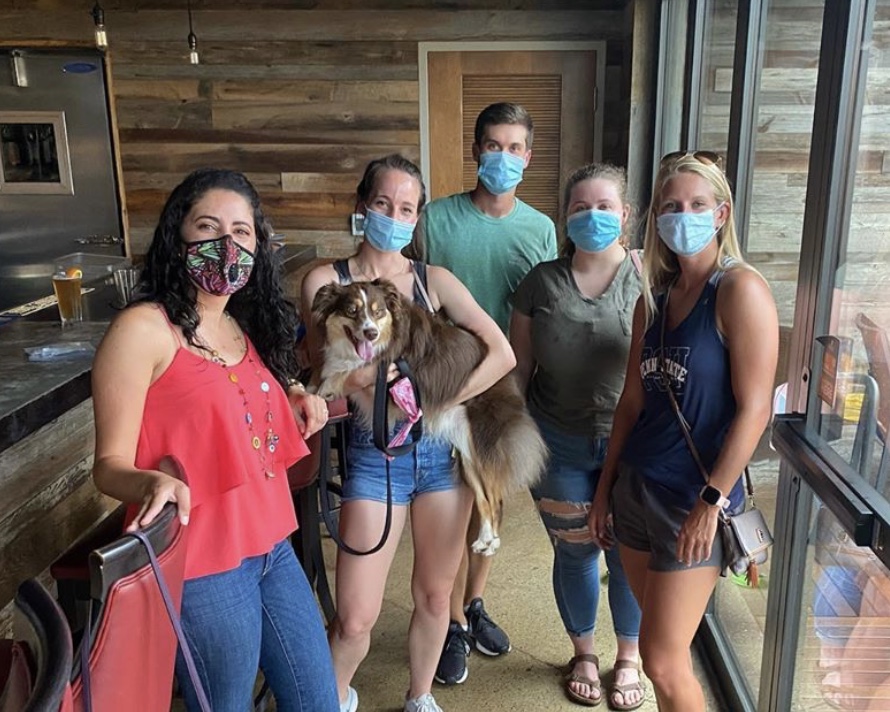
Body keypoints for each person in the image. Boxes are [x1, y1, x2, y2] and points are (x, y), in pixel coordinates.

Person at [90, 168, 339, 712]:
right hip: (202, 562)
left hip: (273, 545)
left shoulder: (239, 324)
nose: (227, 245)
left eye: (242, 232)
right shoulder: (143, 330)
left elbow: (243, 394)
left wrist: (294, 392)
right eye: (208, 227)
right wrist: (149, 479)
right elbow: (107, 465)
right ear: (178, 238)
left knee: (317, 699)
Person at [300, 154, 515, 712]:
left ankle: (419, 697)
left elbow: (502, 354)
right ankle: (329, 698)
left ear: (417, 217)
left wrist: (436, 398)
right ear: (361, 206)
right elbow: (329, 368)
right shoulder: (329, 281)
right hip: (375, 460)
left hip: (441, 457)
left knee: (436, 594)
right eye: (382, 204)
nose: (393, 216)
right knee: (354, 617)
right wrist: (372, 378)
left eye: (406, 208)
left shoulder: (433, 281)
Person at [589, 151, 779, 711]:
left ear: (721, 214)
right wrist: (604, 492)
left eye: (697, 205)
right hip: (637, 490)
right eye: (671, 207)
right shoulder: (655, 300)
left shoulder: (740, 291)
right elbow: (630, 402)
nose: (683, 216)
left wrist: (712, 501)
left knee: (662, 662)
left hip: (692, 500)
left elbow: (755, 409)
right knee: (663, 649)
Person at [415, 101, 558, 685]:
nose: (504, 156)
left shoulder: (541, 229)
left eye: (515, 147)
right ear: (476, 150)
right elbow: (413, 299)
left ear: (529, 156)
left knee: (490, 504)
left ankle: (473, 604)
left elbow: (547, 308)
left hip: (505, 384)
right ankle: (447, 621)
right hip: (444, 385)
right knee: (452, 503)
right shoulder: (436, 220)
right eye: (493, 145)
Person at [510, 163, 645, 709]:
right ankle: (584, 652)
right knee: (577, 551)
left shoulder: (649, 278)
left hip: (633, 445)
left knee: (629, 553)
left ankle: (629, 656)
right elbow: (518, 368)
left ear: (626, 214)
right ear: (565, 216)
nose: (593, 216)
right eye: (580, 207)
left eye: (605, 206)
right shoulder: (540, 281)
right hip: (557, 441)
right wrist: (513, 436)